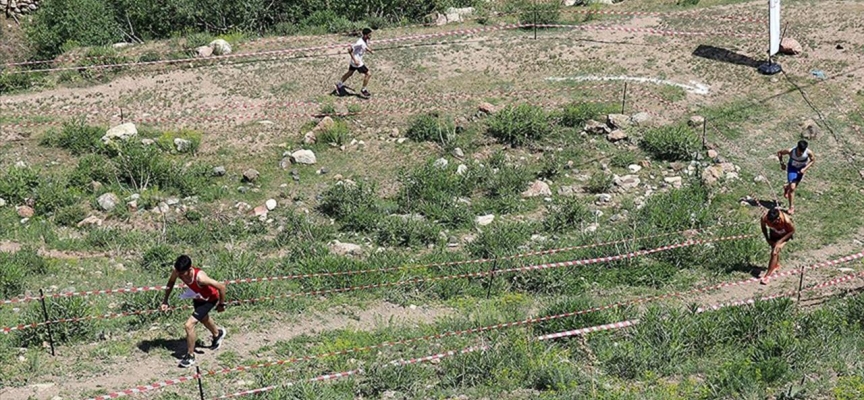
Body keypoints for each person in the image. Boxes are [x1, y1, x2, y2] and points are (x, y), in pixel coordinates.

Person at [160, 255, 227, 368]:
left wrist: (221, 304)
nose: (179, 276)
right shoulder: (178, 271)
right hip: (198, 296)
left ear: (190, 269)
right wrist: (165, 301)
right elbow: (170, 283)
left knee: (189, 325)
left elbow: (221, 287)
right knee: (203, 318)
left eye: (182, 273)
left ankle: (190, 356)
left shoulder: (201, 278)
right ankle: (217, 334)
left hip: (210, 298)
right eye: (178, 273)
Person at [777, 140, 815, 215]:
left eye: (802, 151)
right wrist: (782, 164)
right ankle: (791, 207)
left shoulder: (808, 152)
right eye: (799, 151)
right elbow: (779, 153)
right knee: (793, 187)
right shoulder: (791, 151)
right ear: (797, 147)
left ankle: (786, 187)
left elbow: (813, 160)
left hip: (801, 170)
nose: (801, 153)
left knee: (794, 186)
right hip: (792, 168)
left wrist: (805, 169)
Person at [759, 207, 795, 285]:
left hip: (784, 235)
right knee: (774, 250)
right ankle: (775, 266)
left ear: (778, 219)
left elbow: (792, 231)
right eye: (769, 221)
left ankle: (767, 276)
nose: (770, 223)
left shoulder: (786, 221)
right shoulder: (765, 218)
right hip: (774, 234)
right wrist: (767, 238)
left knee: (774, 252)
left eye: (773, 222)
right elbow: (763, 227)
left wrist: (780, 241)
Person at [335, 28, 374, 97]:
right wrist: (355, 60)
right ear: (365, 35)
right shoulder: (359, 43)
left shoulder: (365, 40)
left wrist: (369, 50)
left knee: (350, 73)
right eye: (369, 35)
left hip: (355, 61)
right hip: (357, 62)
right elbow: (349, 50)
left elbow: (364, 46)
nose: (370, 36)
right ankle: (363, 89)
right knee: (368, 74)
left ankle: (339, 84)